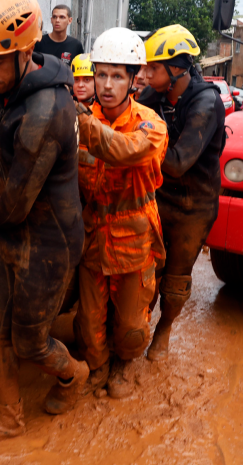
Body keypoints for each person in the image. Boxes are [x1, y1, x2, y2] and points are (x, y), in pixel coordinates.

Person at [0, 0, 88, 447]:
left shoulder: (44, 112)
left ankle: (76, 374)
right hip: (12, 229)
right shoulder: (14, 89)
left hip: (47, 241)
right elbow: (11, 190)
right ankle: (10, 416)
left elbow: (15, 204)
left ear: (28, 51)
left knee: (31, 342)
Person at [73, 28, 168, 398]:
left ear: (133, 80)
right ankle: (98, 367)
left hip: (133, 235)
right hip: (91, 232)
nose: (107, 84)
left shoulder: (150, 126)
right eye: (101, 74)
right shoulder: (79, 118)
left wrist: (82, 122)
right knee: (89, 319)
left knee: (130, 322)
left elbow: (123, 150)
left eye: (117, 75)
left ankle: (126, 364)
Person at [137, 24, 225, 361]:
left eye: (152, 68)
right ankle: (136, 329)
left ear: (177, 69)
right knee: (145, 271)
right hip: (158, 197)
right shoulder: (152, 97)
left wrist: (135, 145)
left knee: (174, 278)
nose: (144, 75)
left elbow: (176, 163)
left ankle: (163, 332)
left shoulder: (206, 103)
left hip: (194, 204)